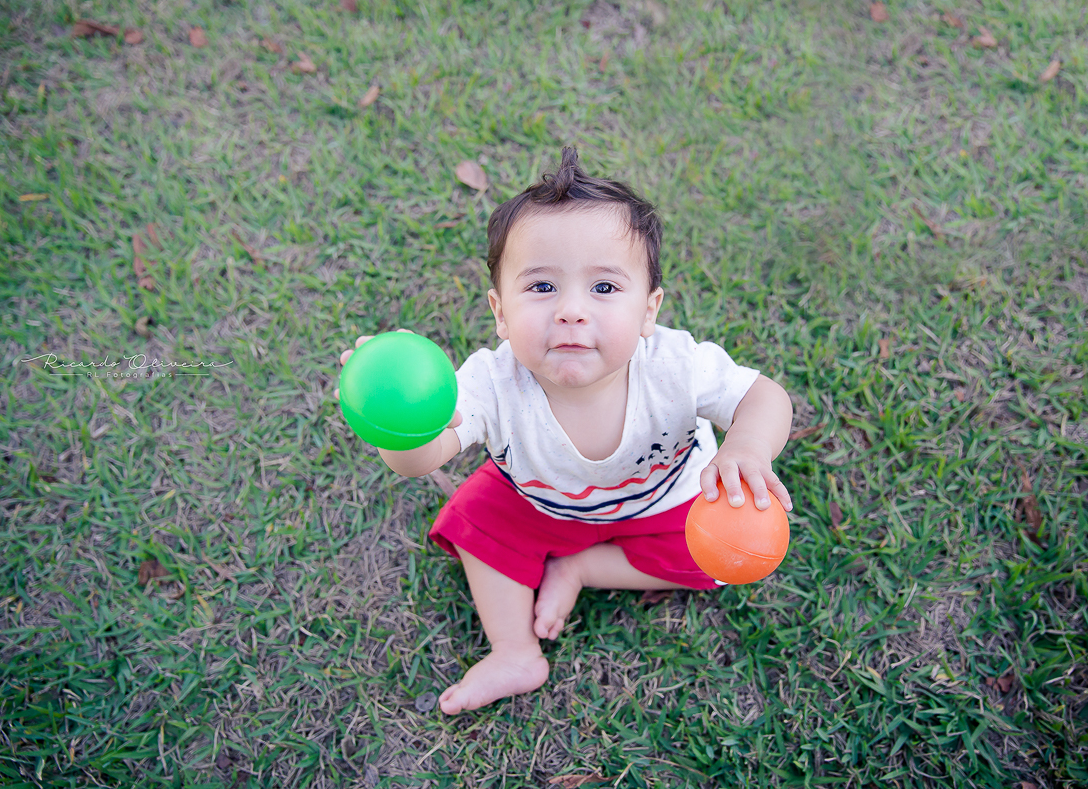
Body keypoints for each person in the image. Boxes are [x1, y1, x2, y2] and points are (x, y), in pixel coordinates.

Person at [336, 147, 793, 715]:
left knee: (721, 555)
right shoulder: (489, 383)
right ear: (500, 314)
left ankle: (581, 567)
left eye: (604, 288)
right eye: (542, 288)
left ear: (649, 311)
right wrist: (402, 424)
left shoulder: (673, 365)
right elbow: (421, 460)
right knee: (477, 522)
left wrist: (746, 443)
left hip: (665, 501)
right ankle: (515, 651)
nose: (572, 310)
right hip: (539, 501)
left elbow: (762, 395)